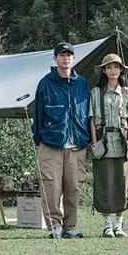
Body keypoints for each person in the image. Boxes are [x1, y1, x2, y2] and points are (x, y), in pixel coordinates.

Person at [31, 42, 90, 240]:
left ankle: (71, 227)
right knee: (51, 187)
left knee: (74, 187)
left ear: (74, 59)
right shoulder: (45, 83)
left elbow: (87, 113)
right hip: (51, 144)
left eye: (69, 55)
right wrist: (38, 139)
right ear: (54, 58)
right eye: (62, 55)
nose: (66, 58)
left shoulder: (82, 83)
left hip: (76, 145)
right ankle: (54, 226)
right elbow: (37, 114)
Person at [88, 53, 128, 238]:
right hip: (103, 142)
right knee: (104, 183)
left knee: (122, 183)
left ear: (121, 70)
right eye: (109, 67)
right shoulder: (96, 93)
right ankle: (106, 224)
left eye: (116, 67)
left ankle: (119, 225)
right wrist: (94, 143)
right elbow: (91, 120)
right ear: (104, 70)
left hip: (121, 142)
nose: (113, 70)